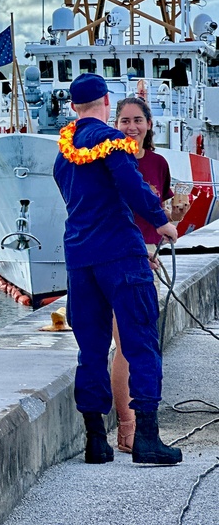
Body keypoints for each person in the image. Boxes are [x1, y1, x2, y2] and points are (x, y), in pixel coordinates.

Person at [53, 73, 182, 465]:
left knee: (90, 348)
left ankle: (96, 441)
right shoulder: (112, 143)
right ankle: (146, 440)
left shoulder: (63, 151)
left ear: (74, 107)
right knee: (140, 341)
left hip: (79, 257)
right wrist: (162, 221)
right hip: (121, 256)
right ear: (106, 102)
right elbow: (131, 184)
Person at [110, 96, 189, 452]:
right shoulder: (110, 161)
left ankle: (134, 432)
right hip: (120, 260)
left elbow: (160, 216)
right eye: (124, 120)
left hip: (147, 262)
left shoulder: (157, 163)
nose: (131, 127)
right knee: (126, 347)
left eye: (137, 120)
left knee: (138, 344)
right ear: (115, 123)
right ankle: (127, 431)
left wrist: (177, 215)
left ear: (149, 124)